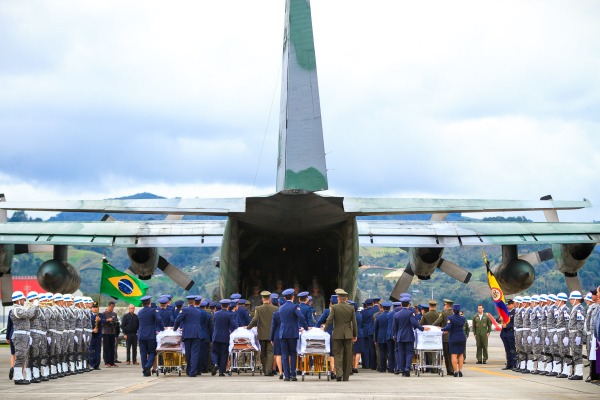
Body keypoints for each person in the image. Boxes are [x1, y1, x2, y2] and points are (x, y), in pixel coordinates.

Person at [322, 289, 357, 381]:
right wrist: (355, 334)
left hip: (337, 334)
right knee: (347, 355)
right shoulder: (351, 308)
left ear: (338, 299)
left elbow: (329, 319)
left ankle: (339, 373)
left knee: (337, 354)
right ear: (346, 299)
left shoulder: (334, 307)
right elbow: (354, 322)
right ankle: (346, 376)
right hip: (348, 334)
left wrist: (324, 329)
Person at [393, 294, 429, 376]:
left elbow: (395, 327)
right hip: (409, 335)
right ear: (409, 305)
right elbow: (415, 324)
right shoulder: (410, 313)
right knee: (409, 353)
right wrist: (423, 329)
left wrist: (395, 336)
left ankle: (402, 369)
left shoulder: (396, 314)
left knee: (401, 353)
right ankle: (407, 368)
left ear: (401, 304)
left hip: (399, 336)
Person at [278, 288, 308, 381]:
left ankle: (286, 376)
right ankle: (293, 375)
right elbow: (301, 317)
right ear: (293, 297)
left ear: (284, 298)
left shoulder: (281, 308)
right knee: (293, 354)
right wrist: (306, 328)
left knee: (284, 354)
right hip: (292, 333)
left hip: (282, 333)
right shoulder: (295, 307)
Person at [174, 295, 208, 377]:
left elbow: (178, 320)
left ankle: (189, 370)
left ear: (187, 302)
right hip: (197, 334)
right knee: (195, 353)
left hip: (188, 333)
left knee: (188, 353)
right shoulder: (199, 311)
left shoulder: (184, 310)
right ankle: (193, 371)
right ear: (194, 302)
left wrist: (175, 329)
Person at [10, 291, 38, 384]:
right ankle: (17, 378)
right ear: (17, 300)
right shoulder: (16, 309)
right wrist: (33, 306)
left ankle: (19, 377)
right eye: (22, 299)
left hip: (24, 335)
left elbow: (31, 317)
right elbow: (28, 315)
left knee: (23, 356)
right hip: (20, 336)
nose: (24, 301)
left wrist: (35, 308)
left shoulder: (21, 308)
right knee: (20, 357)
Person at [247, 290, 278, 376]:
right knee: (270, 352)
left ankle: (265, 370)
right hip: (272, 334)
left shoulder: (258, 309)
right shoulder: (275, 309)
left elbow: (255, 320)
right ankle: (268, 370)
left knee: (263, 352)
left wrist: (248, 327)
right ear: (270, 298)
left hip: (262, 333)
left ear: (262, 298)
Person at [138, 295, 164, 377]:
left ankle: (146, 371)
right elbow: (159, 319)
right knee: (152, 352)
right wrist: (162, 329)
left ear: (142, 304)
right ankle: (147, 367)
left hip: (141, 335)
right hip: (150, 335)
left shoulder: (140, 312)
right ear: (149, 303)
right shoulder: (153, 311)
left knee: (143, 353)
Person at [212, 299, 238, 376]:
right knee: (224, 354)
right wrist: (230, 330)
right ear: (228, 306)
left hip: (216, 335)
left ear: (221, 306)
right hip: (225, 336)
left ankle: (215, 364)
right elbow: (234, 325)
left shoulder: (216, 314)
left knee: (214, 352)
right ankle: (221, 371)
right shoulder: (230, 314)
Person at [441, 304, 467, 377]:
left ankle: (455, 371)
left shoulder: (450, 318)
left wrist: (441, 329)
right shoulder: (463, 318)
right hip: (462, 337)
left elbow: (448, 327)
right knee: (461, 354)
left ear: (453, 310)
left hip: (453, 338)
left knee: (454, 355)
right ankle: (460, 370)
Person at [433, 299, 455, 375]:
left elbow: (436, 323)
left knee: (447, 355)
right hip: (453, 336)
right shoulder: (454, 313)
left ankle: (449, 370)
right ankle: (454, 368)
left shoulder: (444, 313)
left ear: (447, 305)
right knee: (453, 354)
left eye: (444, 305)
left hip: (445, 337)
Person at [567, 290, 585, 380]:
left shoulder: (579, 309)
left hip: (576, 334)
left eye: (572, 299)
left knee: (577, 353)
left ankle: (579, 373)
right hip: (572, 334)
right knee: (574, 353)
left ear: (576, 299)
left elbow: (580, 323)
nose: (570, 300)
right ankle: (575, 372)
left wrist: (578, 335)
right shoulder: (575, 308)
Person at [374, 302, 391, 372]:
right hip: (389, 336)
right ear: (389, 308)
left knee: (382, 352)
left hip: (380, 336)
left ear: (382, 308)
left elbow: (376, 328)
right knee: (390, 352)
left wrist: (376, 339)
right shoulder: (391, 316)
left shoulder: (378, 316)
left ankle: (383, 367)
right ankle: (390, 367)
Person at [500, 299, 516, 370]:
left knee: (512, 350)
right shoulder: (505, 312)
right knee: (507, 350)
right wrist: (499, 319)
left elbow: (514, 323)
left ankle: (513, 364)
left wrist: (507, 326)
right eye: (507, 304)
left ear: (513, 305)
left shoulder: (514, 312)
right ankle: (508, 364)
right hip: (504, 333)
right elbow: (499, 318)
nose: (507, 306)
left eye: (509, 304)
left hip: (510, 332)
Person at [89, 302, 105, 371]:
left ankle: (97, 365)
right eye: (94, 307)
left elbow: (104, 321)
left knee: (98, 351)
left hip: (98, 335)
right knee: (91, 350)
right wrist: (93, 329)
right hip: (92, 335)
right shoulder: (89, 315)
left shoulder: (100, 315)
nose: (95, 309)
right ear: (91, 308)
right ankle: (91, 364)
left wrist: (99, 320)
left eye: (96, 307)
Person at [102, 301, 118, 367]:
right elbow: (102, 323)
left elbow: (116, 322)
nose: (112, 308)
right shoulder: (104, 314)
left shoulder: (114, 314)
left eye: (113, 307)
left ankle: (112, 361)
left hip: (112, 332)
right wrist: (107, 320)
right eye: (111, 307)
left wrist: (115, 322)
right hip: (106, 332)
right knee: (106, 348)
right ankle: (107, 362)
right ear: (108, 306)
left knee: (112, 348)